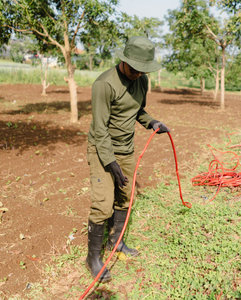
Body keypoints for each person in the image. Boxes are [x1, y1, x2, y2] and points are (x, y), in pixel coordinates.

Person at [86, 36, 169, 282]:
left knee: (124, 197)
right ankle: (92, 258)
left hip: (127, 149)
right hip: (102, 150)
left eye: (142, 70)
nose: (137, 74)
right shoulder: (104, 84)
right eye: (134, 69)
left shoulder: (141, 81)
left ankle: (116, 241)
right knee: (103, 203)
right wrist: (111, 163)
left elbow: (138, 111)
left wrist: (152, 122)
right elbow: (99, 130)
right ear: (123, 61)